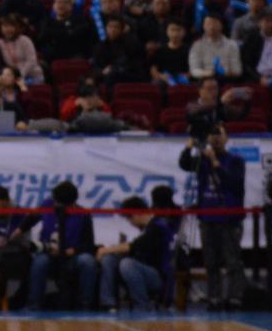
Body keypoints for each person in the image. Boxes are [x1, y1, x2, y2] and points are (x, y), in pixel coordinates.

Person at [180, 125, 248, 309]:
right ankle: (214, 297)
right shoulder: (201, 161)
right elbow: (184, 164)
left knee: (233, 261)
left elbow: (233, 182)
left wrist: (215, 163)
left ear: (227, 138)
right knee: (211, 262)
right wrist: (190, 146)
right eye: (212, 135)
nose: (216, 138)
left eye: (220, 135)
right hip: (207, 218)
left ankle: (235, 297)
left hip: (229, 218)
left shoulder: (236, 160)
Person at [27, 181, 99, 310]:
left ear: (70, 204)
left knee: (87, 261)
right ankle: (34, 305)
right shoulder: (47, 206)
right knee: (39, 262)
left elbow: (89, 244)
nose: (55, 204)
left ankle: (85, 306)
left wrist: (72, 251)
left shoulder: (83, 215)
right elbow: (29, 220)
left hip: (71, 258)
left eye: (58, 202)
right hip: (50, 256)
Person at [97, 196, 169, 312]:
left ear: (136, 214)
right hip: (142, 270)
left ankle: (142, 305)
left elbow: (134, 246)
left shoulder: (156, 226)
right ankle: (108, 303)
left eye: (129, 218)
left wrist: (106, 249)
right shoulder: (145, 229)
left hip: (157, 276)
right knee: (109, 259)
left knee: (127, 264)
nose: (130, 223)